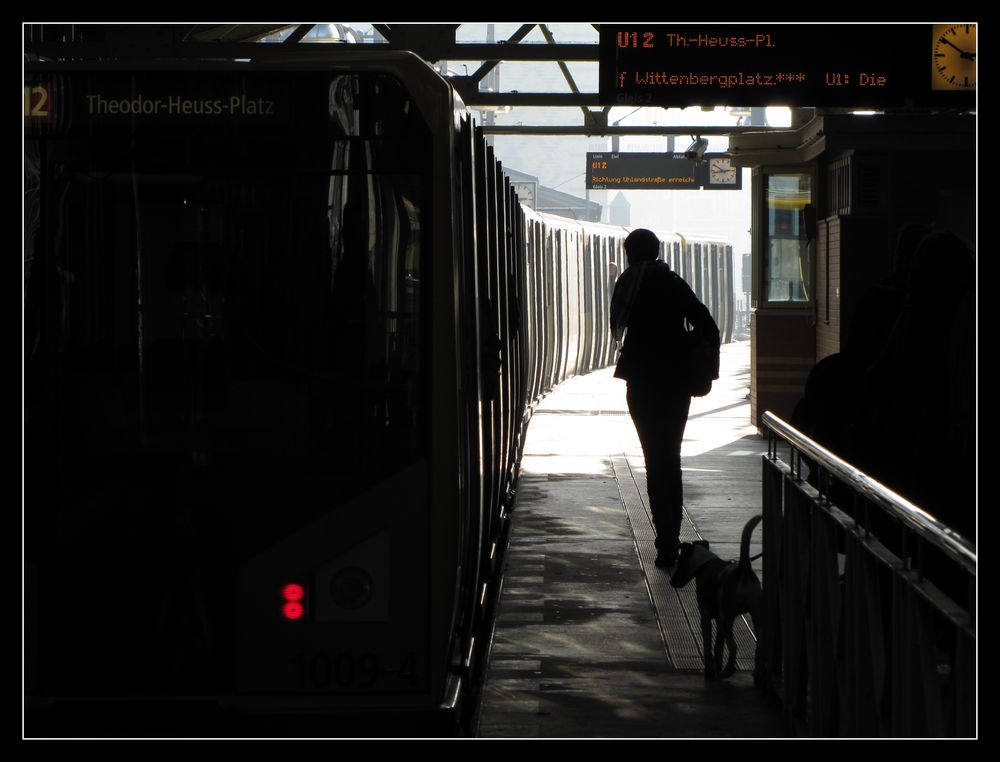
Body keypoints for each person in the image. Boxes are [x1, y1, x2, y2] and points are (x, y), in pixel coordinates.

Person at [610, 229, 721, 569]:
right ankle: (670, 539)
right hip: (675, 383)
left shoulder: (629, 284)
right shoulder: (673, 283)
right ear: (657, 251)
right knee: (670, 458)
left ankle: (666, 541)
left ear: (629, 254)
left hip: (641, 383)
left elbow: (621, 325)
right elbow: (709, 327)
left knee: (654, 459)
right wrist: (699, 362)